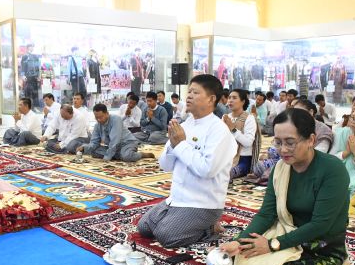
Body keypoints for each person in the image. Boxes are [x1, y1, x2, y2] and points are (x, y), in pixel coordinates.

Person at [219, 109, 349, 265]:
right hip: (286, 232)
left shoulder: (333, 170)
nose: (283, 149)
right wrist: (240, 242)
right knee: (230, 253)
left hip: (321, 247)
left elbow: (321, 224)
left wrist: (272, 245)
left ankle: (331, 264)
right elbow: (267, 214)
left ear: (311, 140)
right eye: (278, 142)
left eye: (290, 142)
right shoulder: (280, 168)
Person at [137, 74, 236, 248]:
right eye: (189, 91)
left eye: (195, 92)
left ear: (211, 99)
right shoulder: (185, 125)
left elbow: (207, 170)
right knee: (144, 227)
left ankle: (209, 228)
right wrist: (172, 145)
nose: (189, 96)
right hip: (177, 198)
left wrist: (181, 144)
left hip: (203, 203)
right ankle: (181, 221)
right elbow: (165, 166)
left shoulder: (219, 130)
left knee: (167, 236)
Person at [77, 104, 154, 162]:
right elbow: (94, 142)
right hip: (114, 148)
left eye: (101, 117)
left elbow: (115, 141)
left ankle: (141, 154)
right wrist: (84, 148)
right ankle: (118, 155)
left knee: (126, 157)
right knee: (93, 151)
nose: (99, 120)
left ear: (107, 113)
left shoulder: (116, 119)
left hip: (127, 144)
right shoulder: (97, 125)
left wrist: (107, 157)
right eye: (96, 118)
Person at [224, 89, 260, 179]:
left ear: (243, 101)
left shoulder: (249, 118)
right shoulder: (226, 117)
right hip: (227, 157)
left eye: (234, 98)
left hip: (243, 159)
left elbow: (248, 143)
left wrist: (233, 129)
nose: (230, 100)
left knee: (227, 174)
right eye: (229, 98)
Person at [21, 43, 41, 107]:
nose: (32, 48)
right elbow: (23, 66)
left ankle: (35, 106)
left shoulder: (35, 56)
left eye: (33, 47)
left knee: (35, 92)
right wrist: (23, 75)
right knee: (28, 92)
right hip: (28, 77)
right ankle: (28, 106)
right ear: (28, 48)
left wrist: (38, 75)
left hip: (34, 77)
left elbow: (38, 67)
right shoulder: (25, 56)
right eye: (31, 46)